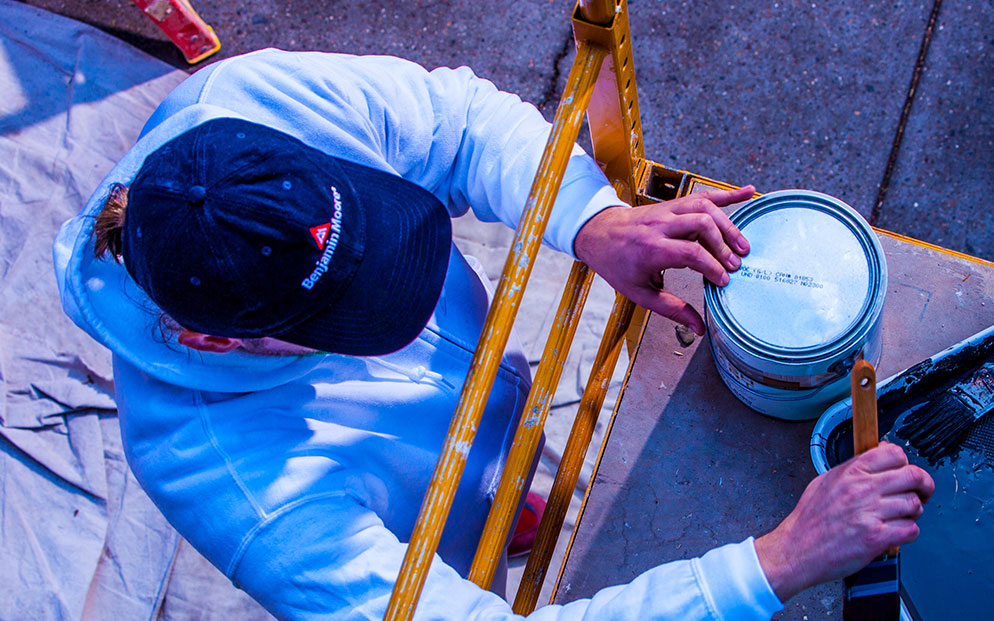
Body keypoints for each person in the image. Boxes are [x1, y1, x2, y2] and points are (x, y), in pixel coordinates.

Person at [55, 49, 933, 620]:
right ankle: (497, 512)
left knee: (507, 494)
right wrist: (779, 560)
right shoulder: (239, 490)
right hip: (420, 523)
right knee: (467, 527)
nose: (392, 303)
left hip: (482, 422)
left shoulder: (246, 100)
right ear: (216, 342)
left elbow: (459, 125)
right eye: (352, 317)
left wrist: (595, 221)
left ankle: (511, 506)